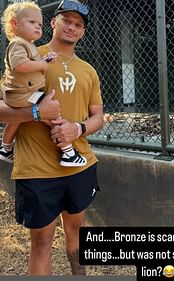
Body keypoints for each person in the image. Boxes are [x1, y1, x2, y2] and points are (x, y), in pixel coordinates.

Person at [9, 0, 103, 275]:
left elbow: (97, 116)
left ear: (83, 32)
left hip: (80, 165)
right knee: (42, 243)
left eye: (78, 25)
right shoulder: (27, 56)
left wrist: (78, 129)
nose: (72, 28)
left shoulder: (88, 70)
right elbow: (3, 108)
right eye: (66, 21)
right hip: (37, 169)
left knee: (77, 234)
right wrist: (37, 112)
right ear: (53, 23)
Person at [0, 1, 87, 167]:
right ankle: (68, 152)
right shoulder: (18, 44)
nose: (37, 27)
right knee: (52, 114)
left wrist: (44, 60)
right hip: (23, 93)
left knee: (18, 119)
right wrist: (43, 64)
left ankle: (5, 148)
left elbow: (32, 62)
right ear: (14, 24)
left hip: (22, 92)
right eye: (32, 22)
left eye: (39, 23)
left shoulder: (28, 45)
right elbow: (20, 65)